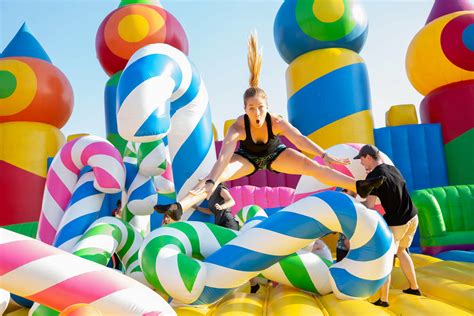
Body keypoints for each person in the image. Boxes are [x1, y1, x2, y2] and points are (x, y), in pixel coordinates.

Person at [155, 33, 384, 221]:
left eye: (261, 107)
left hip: (275, 155)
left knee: (315, 168)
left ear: (267, 106)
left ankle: (359, 186)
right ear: (245, 109)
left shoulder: (275, 121)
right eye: (252, 108)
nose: (257, 112)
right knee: (210, 180)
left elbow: (299, 138)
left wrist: (324, 155)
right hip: (246, 158)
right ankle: (178, 207)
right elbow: (224, 156)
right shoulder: (238, 126)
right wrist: (214, 179)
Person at [354, 144, 421, 308]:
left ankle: (383, 300)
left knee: (387, 257)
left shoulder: (374, 177)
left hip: (398, 222)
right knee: (402, 251)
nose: (362, 164)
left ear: (368, 157)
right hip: (412, 216)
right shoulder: (392, 169)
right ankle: (414, 287)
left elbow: (369, 206)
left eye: (362, 161)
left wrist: (353, 202)